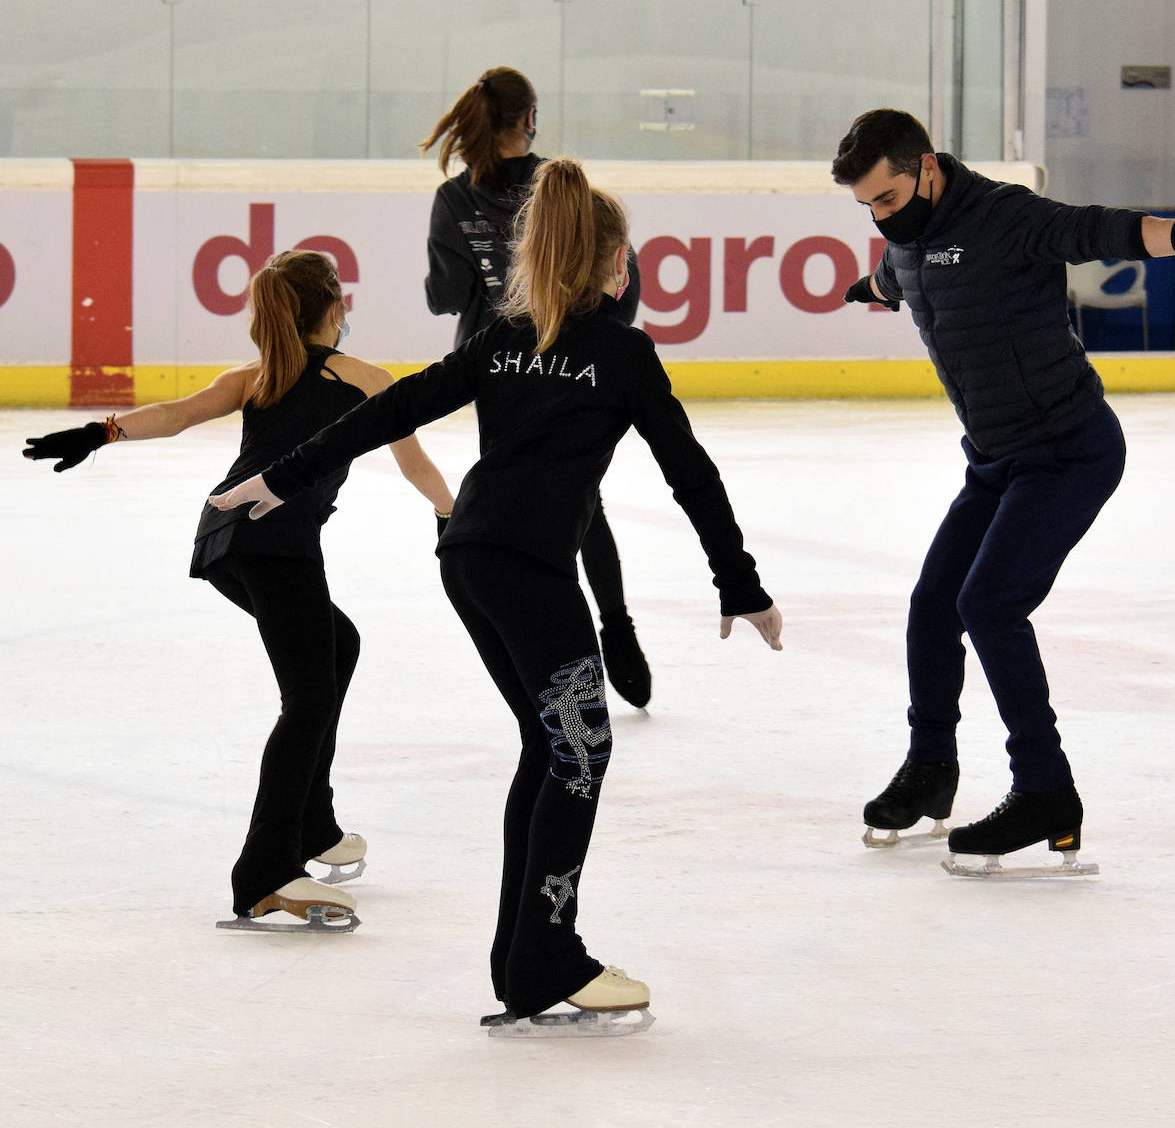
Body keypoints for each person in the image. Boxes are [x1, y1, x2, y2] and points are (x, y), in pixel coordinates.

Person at [208, 159, 783, 1032]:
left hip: (471, 557)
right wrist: (738, 581)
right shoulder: (620, 352)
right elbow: (689, 472)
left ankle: (524, 960)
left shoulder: (504, 336)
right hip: (525, 569)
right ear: (616, 261)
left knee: (551, 748)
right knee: (580, 753)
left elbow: (394, 407)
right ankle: (546, 956)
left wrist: (281, 475)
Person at [832, 109, 1175, 870]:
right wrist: (865, 285)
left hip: (1068, 450)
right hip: (994, 458)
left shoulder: (1004, 217)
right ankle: (931, 769)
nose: (880, 216)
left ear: (926, 167)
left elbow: (1104, 230)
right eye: (867, 207)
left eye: (887, 198)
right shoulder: (909, 241)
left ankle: (1046, 791)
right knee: (934, 604)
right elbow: (898, 278)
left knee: (988, 603)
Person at [23, 250, 454, 927]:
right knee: (309, 695)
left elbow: (176, 414)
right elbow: (416, 465)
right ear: (336, 310)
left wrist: (98, 431)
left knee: (338, 644)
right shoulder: (366, 378)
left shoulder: (259, 375)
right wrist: (452, 515)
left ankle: (313, 825)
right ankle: (266, 870)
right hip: (274, 543)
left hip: (225, 537)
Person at [419, 65, 652, 711]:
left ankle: (569, 627)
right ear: (529, 120)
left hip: (495, 370)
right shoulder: (559, 186)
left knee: (520, 487)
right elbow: (620, 277)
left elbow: (443, 297)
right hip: (572, 355)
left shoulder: (455, 199)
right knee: (580, 497)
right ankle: (615, 627)